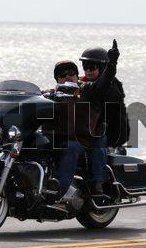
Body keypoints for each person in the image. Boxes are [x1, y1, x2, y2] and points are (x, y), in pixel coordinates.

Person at [48, 41, 120, 200]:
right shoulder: (51, 94)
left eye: (70, 73)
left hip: (82, 140)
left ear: (76, 75)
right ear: (57, 79)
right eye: (62, 75)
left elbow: (103, 82)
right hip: (56, 139)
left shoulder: (87, 89)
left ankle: (60, 190)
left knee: (71, 147)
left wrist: (112, 64)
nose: (67, 76)